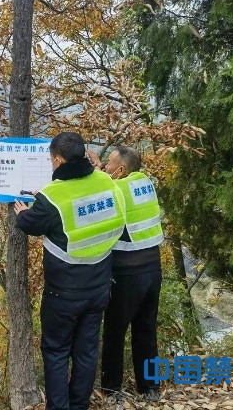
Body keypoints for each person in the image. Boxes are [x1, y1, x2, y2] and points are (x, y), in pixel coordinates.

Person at [14, 132, 126, 410]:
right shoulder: (105, 181)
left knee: (56, 351)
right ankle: (79, 405)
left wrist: (22, 212)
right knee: (87, 351)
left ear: (58, 160)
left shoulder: (52, 197)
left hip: (63, 292)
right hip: (99, 286)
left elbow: (31, 223)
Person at [88, 146, 163, 402]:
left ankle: (111, 390)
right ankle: (150, 388)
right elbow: (113, 184)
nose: (105, 166)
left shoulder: (117, 189)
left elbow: (98, 192)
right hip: (153, 269)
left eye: (109, 163)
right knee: (146, 329)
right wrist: (101, 169)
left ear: (120, 170)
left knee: (115, 331)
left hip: (128, 273)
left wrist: (94, 172)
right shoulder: (144, 183)